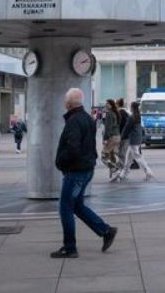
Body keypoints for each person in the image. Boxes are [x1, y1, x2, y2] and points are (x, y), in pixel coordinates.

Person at [50, 88, 117, 259]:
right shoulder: (88, 118)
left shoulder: (73, 121)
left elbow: (73, 148)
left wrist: (60, 161)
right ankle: (105, 231)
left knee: (65, 207)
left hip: (76, 172)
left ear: (68, 103)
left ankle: (69, 247)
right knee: (77, 206)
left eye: (65, 100)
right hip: (86, 169)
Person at [115, 102, 153, 182]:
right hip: (137, 139)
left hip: (133, 141)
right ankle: (123, 175)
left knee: (138, 157)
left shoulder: (132, 117)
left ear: (132, 107)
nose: (130, 107)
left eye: (131, 106)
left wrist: (121, 137)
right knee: (129, 158)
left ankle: (148, 171)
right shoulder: (138, 116)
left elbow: (126, 129)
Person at [101, 99, 121, 178]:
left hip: (112, 137)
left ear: (111, 105)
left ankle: (115, 168)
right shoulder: (115, 113)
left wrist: (105, 139)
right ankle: (116, 172)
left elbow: (108, 128)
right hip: (117, 136)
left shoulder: (109, 114)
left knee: (103, 157)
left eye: (107, 103)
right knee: (112, 155)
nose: (105, 105)